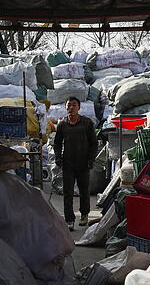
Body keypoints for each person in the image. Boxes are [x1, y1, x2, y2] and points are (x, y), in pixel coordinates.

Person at [53, 96, 98, 231]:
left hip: (84, 163)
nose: (71, 108)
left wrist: (91, 159)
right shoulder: (62, 125)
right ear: (65, 108)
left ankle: (84, 215)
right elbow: (57, 143)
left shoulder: (86, 123)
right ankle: (69, 219)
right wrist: (58, 157)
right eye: (68, 105)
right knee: (68, 192)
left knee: (84, 191)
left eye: (74, 105)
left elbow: (94, 143)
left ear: (79, 107)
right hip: (68, 164)